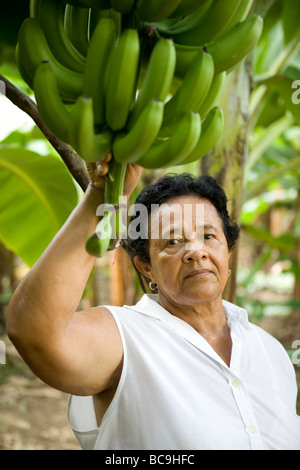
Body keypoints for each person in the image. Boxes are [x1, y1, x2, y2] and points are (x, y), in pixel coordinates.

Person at [6, 165, 300, 450]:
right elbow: (34, 332)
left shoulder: (270, 350)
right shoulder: (125, 339)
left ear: (228, 250)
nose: (196, 251)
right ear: (146, 267)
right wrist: (100, 196)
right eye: (172, 241)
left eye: (208, 236)